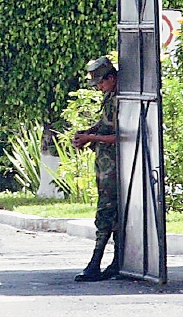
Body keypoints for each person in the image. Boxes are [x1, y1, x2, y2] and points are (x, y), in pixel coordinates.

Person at [72, 56, 119, 282]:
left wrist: (92, 137)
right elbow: (104, 126)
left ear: (111, 78)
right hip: (105, 166)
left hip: (115, 168)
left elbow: (121, 136)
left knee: (106, 213)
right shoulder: (109, 97)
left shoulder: (120, 99)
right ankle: (113, 261)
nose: (99, 87)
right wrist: (86, 134)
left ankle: (96, 263)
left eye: (101, 82)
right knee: (111, 214)